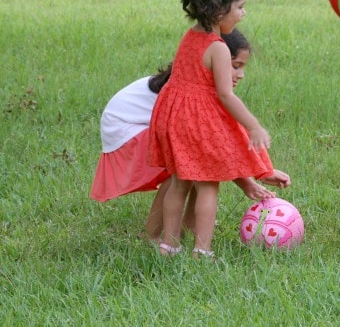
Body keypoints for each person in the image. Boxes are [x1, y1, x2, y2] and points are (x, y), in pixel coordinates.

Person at [90, 28, 289, 243]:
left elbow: (219, 145)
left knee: (197, 165)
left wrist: (259, 173)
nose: (241, 75)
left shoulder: (199, 86)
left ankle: (187, 228)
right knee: (186, 166)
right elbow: (216, 147)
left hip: (135, 123)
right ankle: (153, 234)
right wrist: (251, 178)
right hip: (126, 128)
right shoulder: (193, 93)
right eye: (235, 66)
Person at [148, 0, 286, 258]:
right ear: (218, 9)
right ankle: (202, 250)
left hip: (174, 118)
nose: (243, 13)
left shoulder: (190, 37)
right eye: (239, 7)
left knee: (179, 184)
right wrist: (254, 125)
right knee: (208, 187)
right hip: (196, 122)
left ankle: (168, 245)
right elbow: (225, 95)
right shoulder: (218, 48)